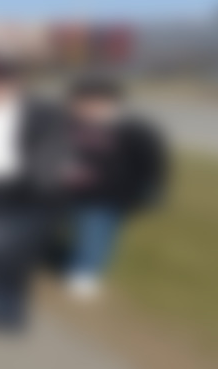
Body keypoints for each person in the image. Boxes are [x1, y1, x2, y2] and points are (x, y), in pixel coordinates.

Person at [59, 76, 164, 299]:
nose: (87, 109)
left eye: (96, 103)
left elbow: (152, 163)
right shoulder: (66, 124)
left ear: (113, 103)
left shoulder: (134, 130)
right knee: (63, 228)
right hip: (67, 191)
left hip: (109, 195)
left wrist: (152, 190)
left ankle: (85, 274)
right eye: (80, 103)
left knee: (97, 234)